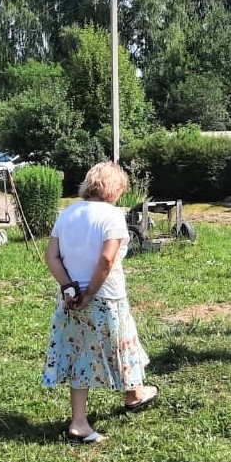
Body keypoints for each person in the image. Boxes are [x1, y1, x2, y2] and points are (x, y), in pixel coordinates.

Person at [43, 161, 155, 443]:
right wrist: (91, 293)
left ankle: (88, 416)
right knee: (121, 344)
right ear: (115, 188)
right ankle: (129, 396)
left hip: (71, 298)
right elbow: (107, 258)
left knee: (81, 354)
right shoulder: (112, 215)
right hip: (105, 295)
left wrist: (69, 288)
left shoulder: (67, 213)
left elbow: (52, 256)